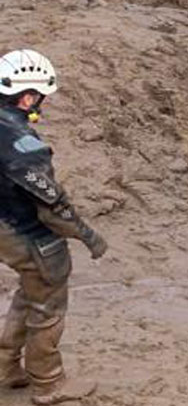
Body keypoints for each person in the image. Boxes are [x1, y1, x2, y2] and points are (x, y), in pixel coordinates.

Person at [0, 50, 106, 404]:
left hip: (4, 227)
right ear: (28, 96)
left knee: (29, 292)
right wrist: (88, 236)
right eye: (40, 98)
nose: (40, 106)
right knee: (48, 303)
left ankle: (6, 368)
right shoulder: (25, 147)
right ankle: (48, 382)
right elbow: (52, 207)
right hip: (25, 232)